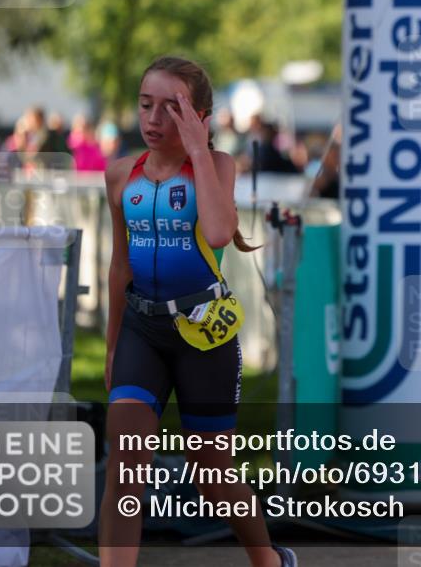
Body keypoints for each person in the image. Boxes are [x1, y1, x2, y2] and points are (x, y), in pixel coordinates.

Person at [99, 56, 296, 567]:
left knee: (211, 473)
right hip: (142, 327)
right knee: (125, 465)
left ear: (200, 116)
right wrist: (113, 344)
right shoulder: (120, 176)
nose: (153, 119)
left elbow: (217, 232)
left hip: (203, 332)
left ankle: (268, 559)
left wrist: (198, 151)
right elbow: (120, 266)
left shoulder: (218, 166)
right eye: (146, 104)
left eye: (171, 108)